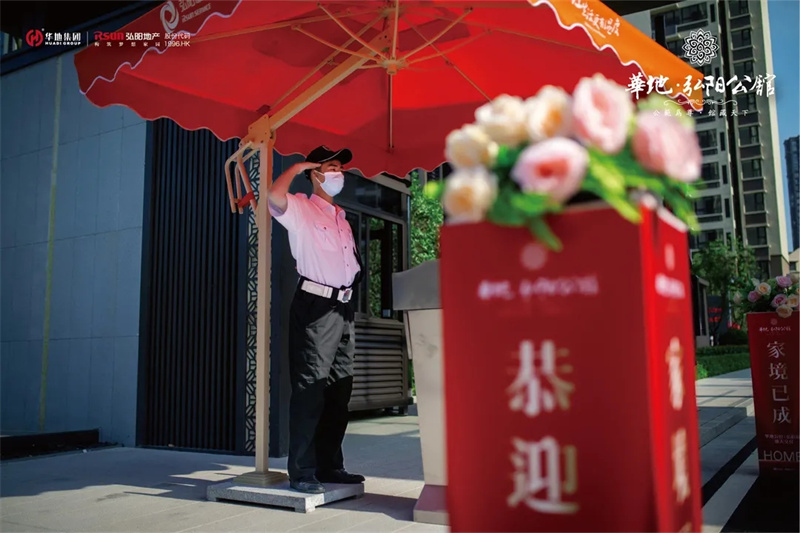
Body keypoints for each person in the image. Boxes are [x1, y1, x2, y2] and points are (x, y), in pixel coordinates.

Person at [267, 145, 365, 494]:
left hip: (343, 309)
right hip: (315, 307)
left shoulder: (341, 218)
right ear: (315, 174)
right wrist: (296, 167)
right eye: (331, 167)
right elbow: (272, 197)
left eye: (340, 168)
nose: (338, 173)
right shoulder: (301, 208)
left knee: (339, 390)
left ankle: (329, 465)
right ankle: (303, 471)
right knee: (310, 390)